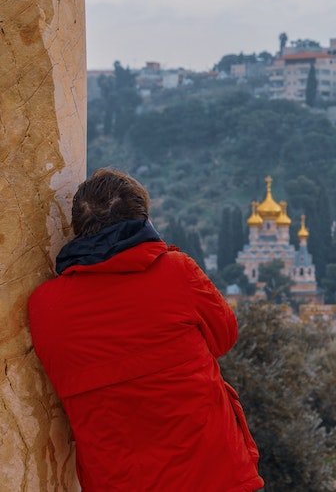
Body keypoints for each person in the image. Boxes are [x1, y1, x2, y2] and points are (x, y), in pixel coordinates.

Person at [28, 169, 264, 491]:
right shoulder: (176, 273)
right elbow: (224, 336)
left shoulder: (44, 306)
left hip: (118, 479)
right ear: (142, 221)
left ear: (77, 230)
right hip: (213, 471)